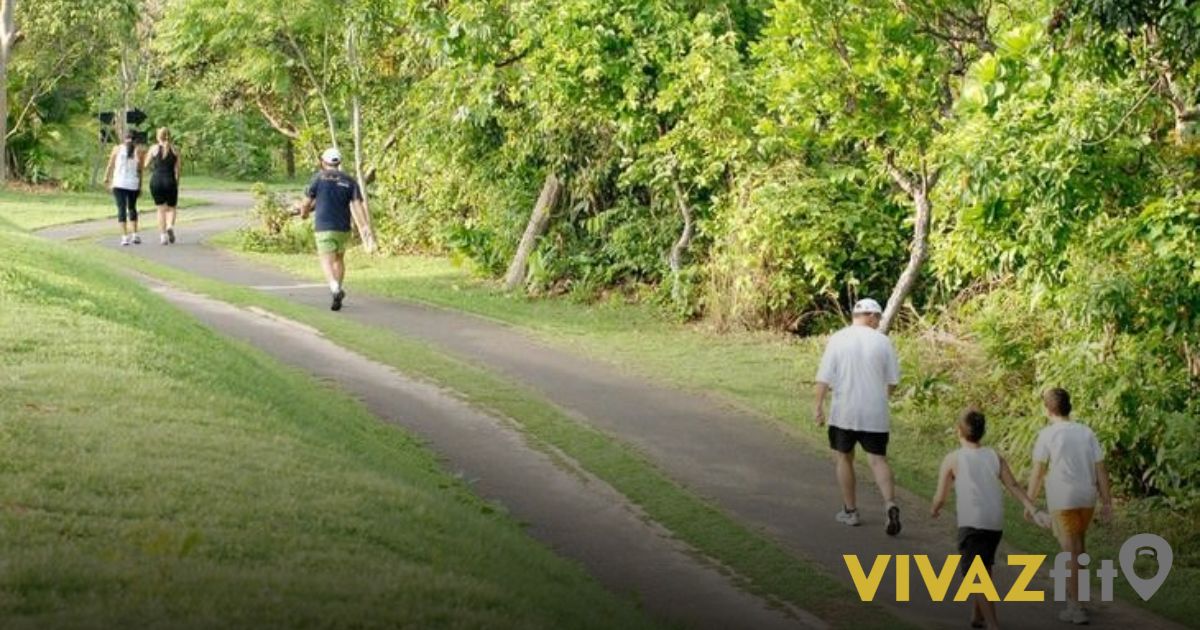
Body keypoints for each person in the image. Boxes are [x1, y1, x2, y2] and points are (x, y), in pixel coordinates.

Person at [931, 408, 1048, 630]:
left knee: (976, 575)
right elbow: (1012, 485)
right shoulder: (994, 456)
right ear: (983, 432)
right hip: (994, 523)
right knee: (983, 567)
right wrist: (1033, 509)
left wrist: (935, 509)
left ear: (959, 431)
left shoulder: (953, 459)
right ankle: (978, 617)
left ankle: (993, 624)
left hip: (972, 523)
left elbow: (941, 494)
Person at [814, 297, 903, 535]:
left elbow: (823, 377)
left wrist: (818, 406)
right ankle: (890, 504)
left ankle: (850, 511)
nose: (878, 322)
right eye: (878, 317)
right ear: (871, 316)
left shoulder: (837, 339)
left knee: (844, 458)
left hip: (844, 411)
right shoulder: (883, 342)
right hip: (875, 412)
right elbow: (892, 382)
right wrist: (882, 396)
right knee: (878, 460)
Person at [1026, 388, 1113, 625]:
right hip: (1087, 498)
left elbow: (1038, 471)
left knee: (1070, 553)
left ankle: (1076, 608)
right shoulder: (1086, 432)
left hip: (1063, 499)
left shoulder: (1047, 435)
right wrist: (1107, 502)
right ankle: (1079, 600)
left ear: (1047, 410)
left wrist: (1029, 501)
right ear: (1069, 406)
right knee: (1079, 550)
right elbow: (1101, 469)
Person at [296, 147, 365, 311]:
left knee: (325, 260)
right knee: (339, 259)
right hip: (343, 227)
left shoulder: (318, 178)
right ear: (339, 162)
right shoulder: (350, 181)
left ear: (323, 162)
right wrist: (364, 226)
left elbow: (306, 203)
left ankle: (334, 288)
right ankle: (338, 290)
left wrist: (303, 214)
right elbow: (357, 205)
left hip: (323, 226)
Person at [103, 130, 144, 246]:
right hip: (133, 184)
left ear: (124, 139)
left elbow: (110, 164)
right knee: (132, 208)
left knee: (121, 208)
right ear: (135, 140)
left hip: (119, 183)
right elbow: (140, 171)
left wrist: (106, 177)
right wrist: (140, 185)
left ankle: (124, 237)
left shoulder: (117, 149)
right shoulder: (139, 151)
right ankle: (135, 234)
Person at [145, 127, 182, 245]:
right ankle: (170, 226)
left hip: (156, 180)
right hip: (170, 180)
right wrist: (177, 182)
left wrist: (153, 167)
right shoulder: (175, 150)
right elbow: (178, 170)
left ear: (158, 137)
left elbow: (145, 165)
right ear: (169, 136)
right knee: (171, 208)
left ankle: (163, 236)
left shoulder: (154, 149)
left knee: (160, 209)